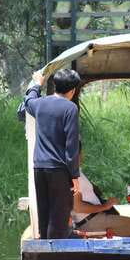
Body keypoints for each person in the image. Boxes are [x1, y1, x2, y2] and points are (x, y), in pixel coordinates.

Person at [23, 68, 82, 239]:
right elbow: (71, 146)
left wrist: (37, 85)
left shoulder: (40, 104)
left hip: (39, 168)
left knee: (44, 213)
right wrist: (74, 175)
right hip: (58, 170)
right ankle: (56, 254)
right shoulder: (70, 109)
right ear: (72, 90)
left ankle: (44, 251)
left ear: (55, 85)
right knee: (58, 216)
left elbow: (28, 100)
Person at [72, 142, 130, 237]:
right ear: (77, 154)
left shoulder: (75, 172)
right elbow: (78, 207)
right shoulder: (73, 175)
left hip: (93, 220)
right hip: (92, 221)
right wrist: (105, 206)